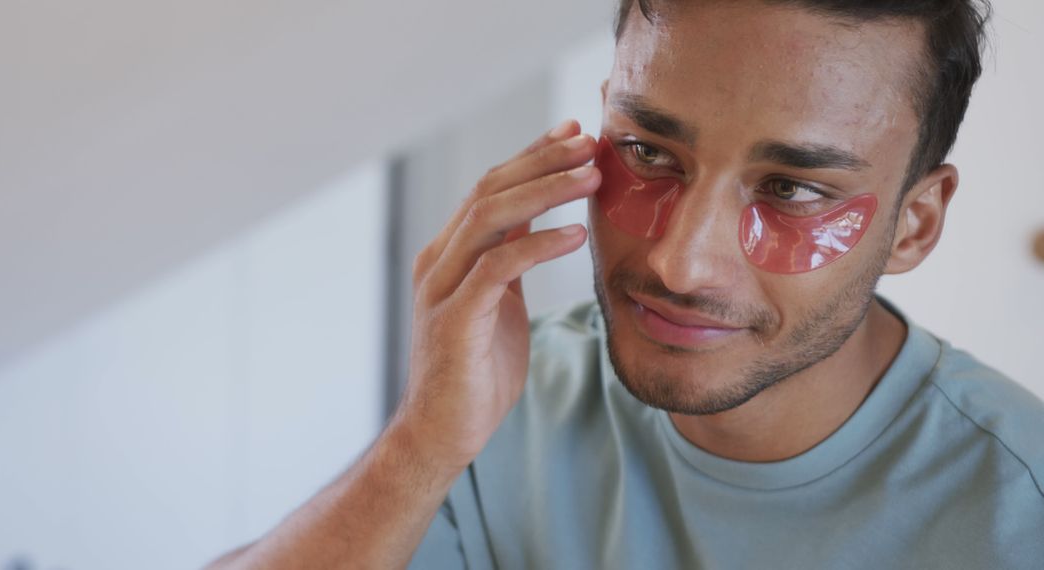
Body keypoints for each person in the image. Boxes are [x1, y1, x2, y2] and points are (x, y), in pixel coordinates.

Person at [207, 0, 1044, 568]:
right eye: (646, 152)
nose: (681, 264)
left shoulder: (1021, 510)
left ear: (917, 223)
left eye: (792, 188)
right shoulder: (512, 399)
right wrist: (419, 448)